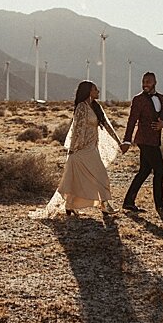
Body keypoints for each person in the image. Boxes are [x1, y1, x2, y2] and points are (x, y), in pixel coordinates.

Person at [31, 81, 122, 220]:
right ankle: (105, 206)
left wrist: (118, 141)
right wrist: (73, 149)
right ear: (88, 91)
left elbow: (107, 125)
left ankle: (70, 205)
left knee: (77, 180)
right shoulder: (81, 107)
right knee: (101, 175)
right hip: (83, 149)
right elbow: (77, 130)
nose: (98, 92)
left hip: (93, 147)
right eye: (95, 89)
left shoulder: (96, 107)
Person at [120, 70, 163, 213]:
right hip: (144, 139)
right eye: (143, 82)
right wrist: (126, 140)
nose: (145, 84)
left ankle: (128, 202)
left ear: (155, 82)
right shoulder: (138, 99)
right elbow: (132, 121)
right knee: (160, 170)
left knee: (144, 170)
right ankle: (160, 205)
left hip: (155, 140)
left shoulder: (161, 98)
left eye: (148, 81)